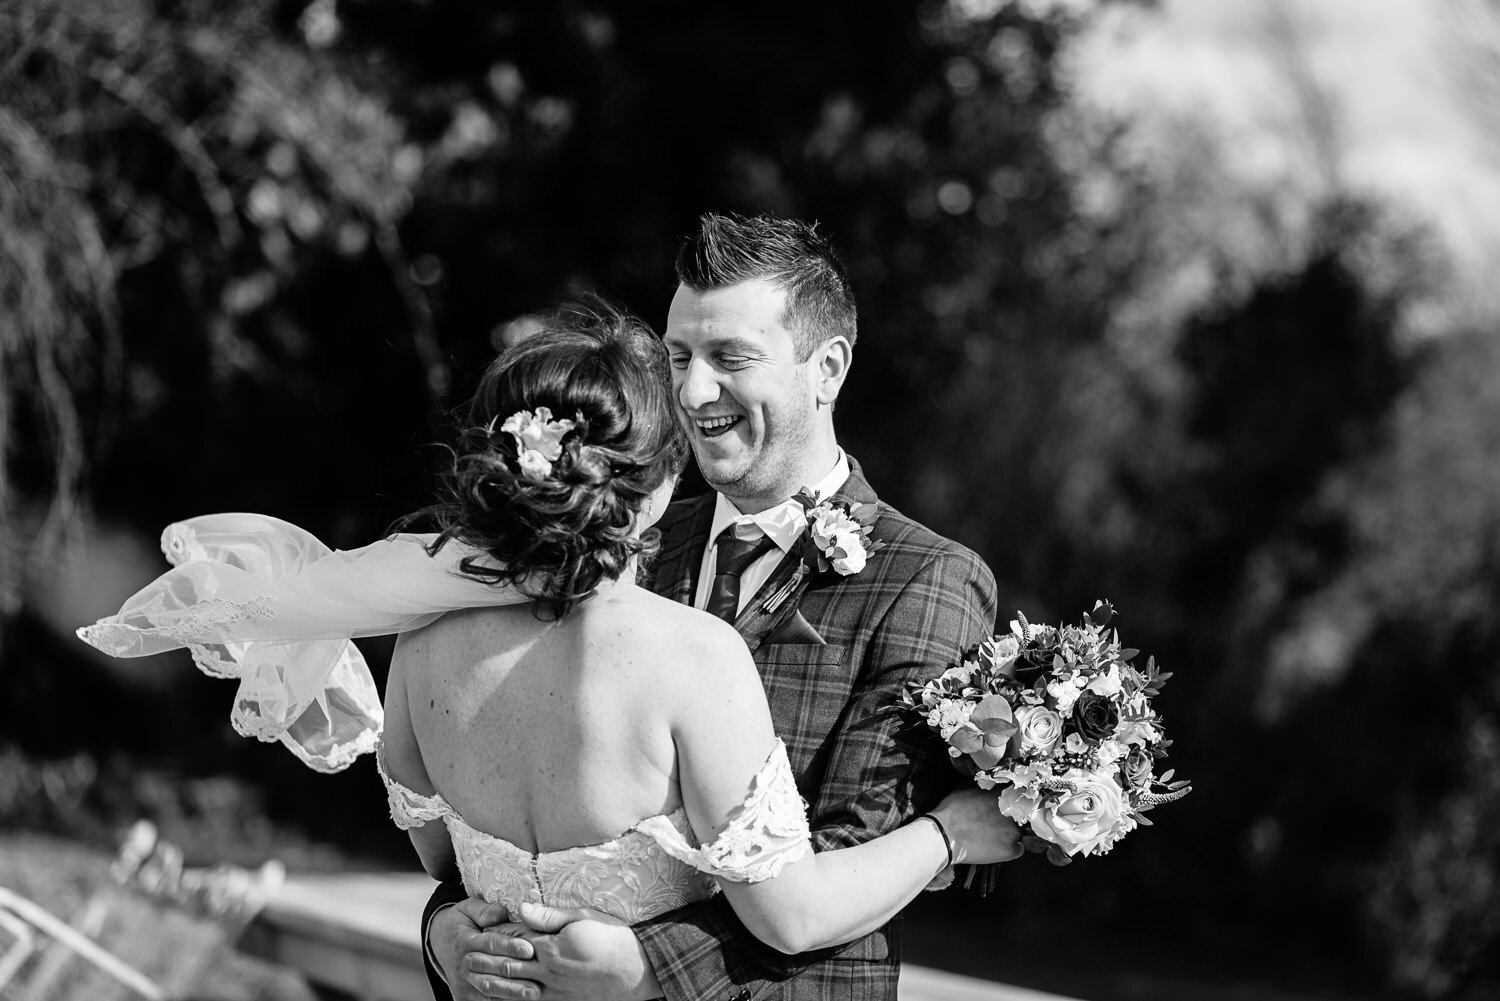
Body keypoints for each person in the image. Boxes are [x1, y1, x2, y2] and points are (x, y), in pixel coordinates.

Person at [424, 214, 1003, 1001]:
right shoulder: (619, 535)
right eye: (679, 357)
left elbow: (844, 870)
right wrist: (446, 926)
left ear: (827, 367)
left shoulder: (926, 581)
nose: (694, 392)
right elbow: (511, 808)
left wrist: (644, 966)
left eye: (730, 357)